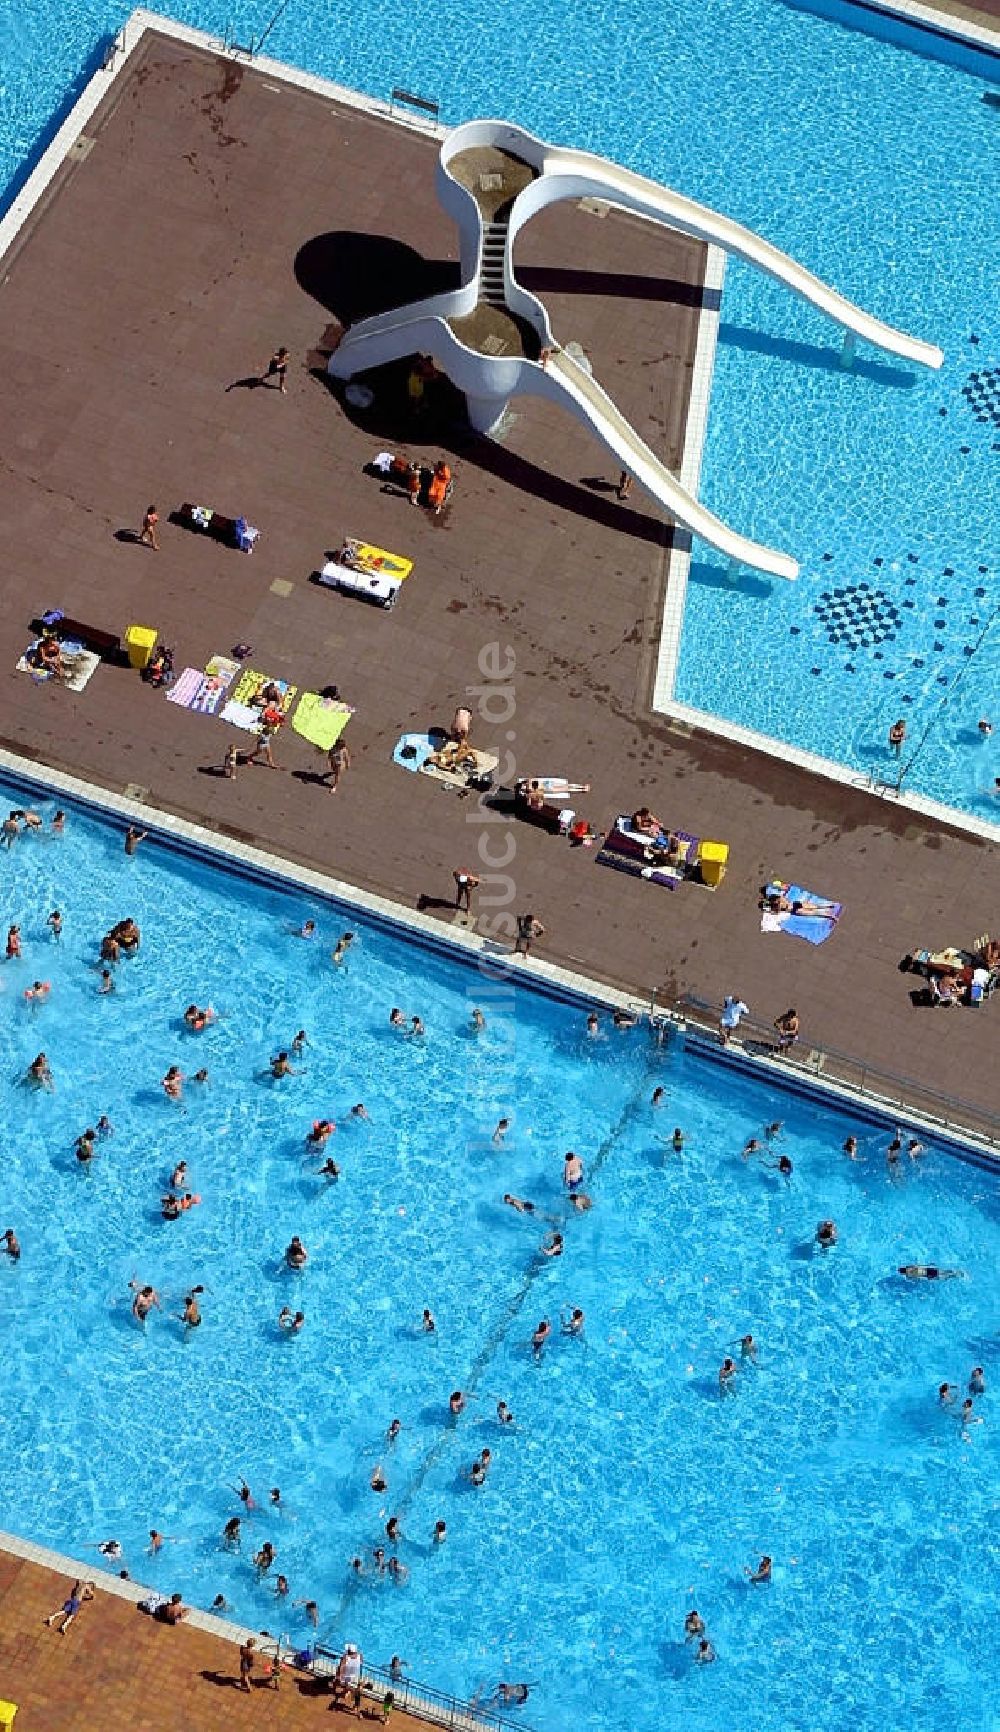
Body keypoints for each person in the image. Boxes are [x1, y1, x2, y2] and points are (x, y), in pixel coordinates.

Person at [897, 1264, 965, 1281]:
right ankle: (956, 1272)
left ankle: (956, 1275)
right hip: (928, 1270)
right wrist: (929, 1265)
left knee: (942, 1277)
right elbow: (919, 1266)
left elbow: (918, 1278)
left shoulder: (908, 1276)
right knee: (943, 1271)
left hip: (926, 1275)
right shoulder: (909, 1267)